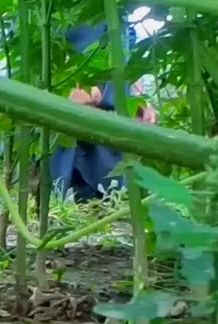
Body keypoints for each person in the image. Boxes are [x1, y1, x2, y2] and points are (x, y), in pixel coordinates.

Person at [49, 23, 158, 202]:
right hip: (63, 136)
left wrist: (137, 96)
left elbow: (126, 44)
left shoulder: (120, 9)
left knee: (112, 202)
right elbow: (29, 51)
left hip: (113, 136)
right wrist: (63, 90)